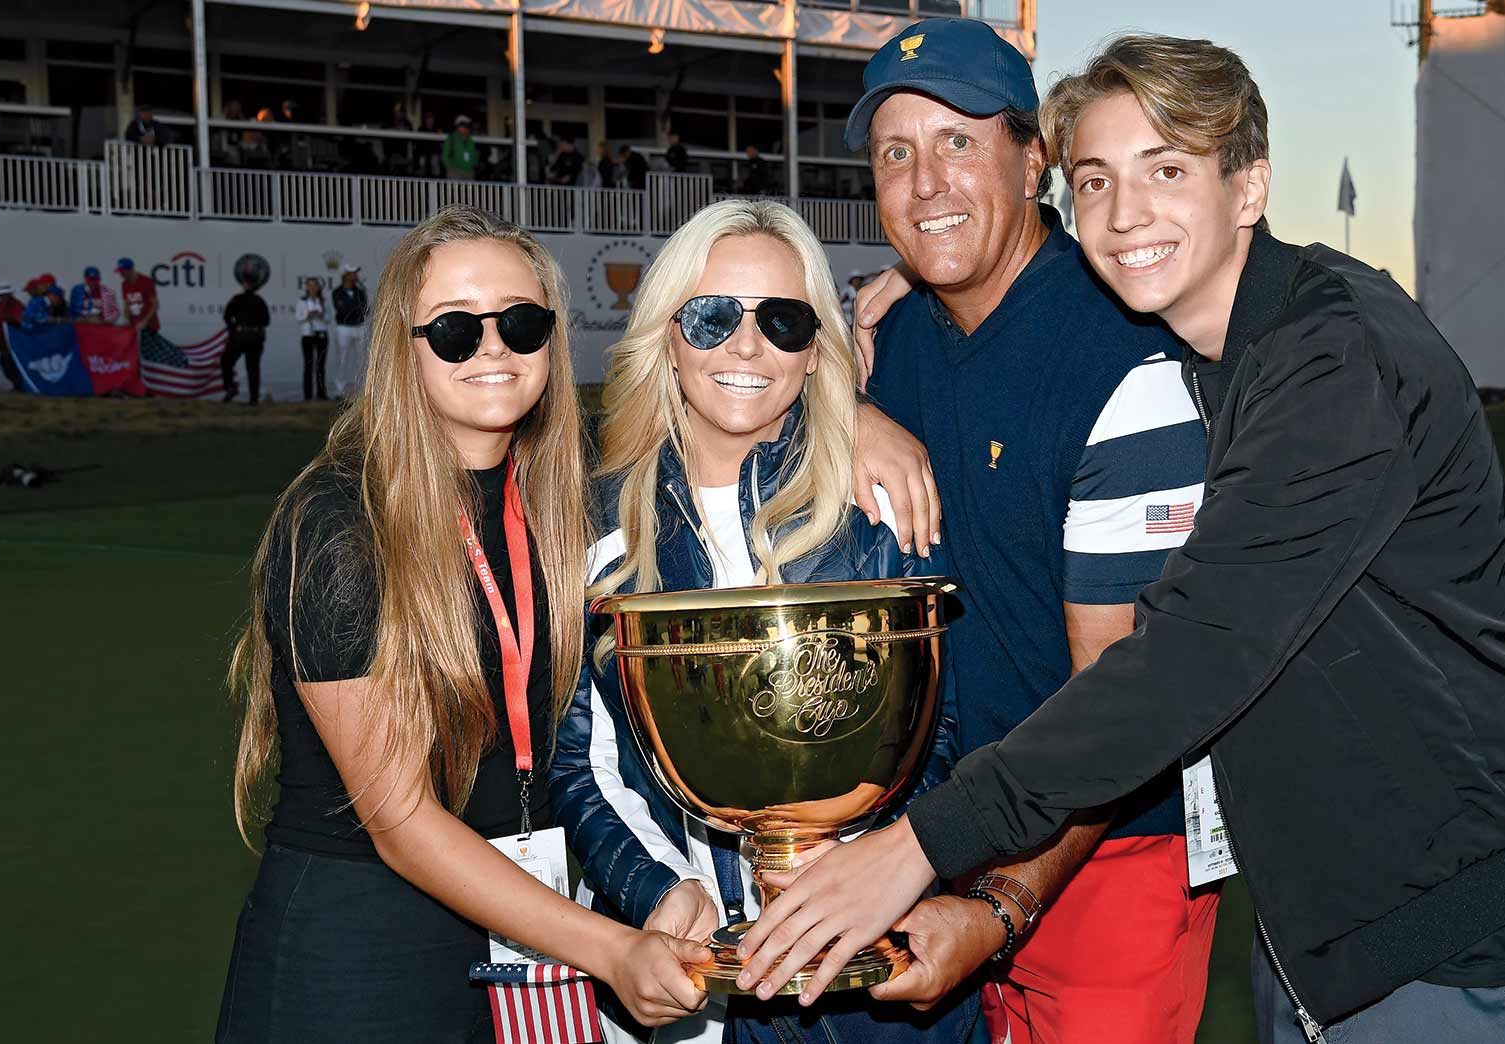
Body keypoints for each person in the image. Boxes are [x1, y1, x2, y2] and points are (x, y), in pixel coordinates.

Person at [742, 33, 1505, 1044]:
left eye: (1165, 170)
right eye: (1097, 180)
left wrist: (918, 845)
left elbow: (1182, 660)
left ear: (1248, 187)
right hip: (1323, 925)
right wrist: (847, 348)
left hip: (1437, 943)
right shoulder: (1222, 352)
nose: (1124, 212)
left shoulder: (1334, 357)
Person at [734, 19, 1218, 1044]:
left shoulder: (1123, 363)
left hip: (1100, 855)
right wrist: (841, 399)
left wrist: (1003, 904)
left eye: (958, 142)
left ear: (1031, 157)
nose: (924, 184)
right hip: (928, 843)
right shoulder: (891, 336)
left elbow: (1121, 712)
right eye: (894, 154)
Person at [218, 205, 708, 1043]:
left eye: (521, 323)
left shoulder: (569, 493)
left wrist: (868, 426)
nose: (493, 347)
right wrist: (612, 950)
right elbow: (403, 825)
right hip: (362, 943)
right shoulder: (339, 523)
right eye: (454, 329)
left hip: (533, 918)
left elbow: (727, 435)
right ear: (401, 349)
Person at [548, 198, 979, 1044]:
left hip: (865, 978)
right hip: (683, 987)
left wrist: (873, 860)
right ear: (666, 338)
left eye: (781, 320)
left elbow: (944, 728)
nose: (747, 347)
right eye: (711, 319)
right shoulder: (598, 527)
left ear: (816, 348)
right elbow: (582, 757)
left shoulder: (882, 506)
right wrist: (664, 894)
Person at [221, 277, 270, 405]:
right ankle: (251, 398)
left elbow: (227, 317)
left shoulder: (239, 299)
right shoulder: (258, 300)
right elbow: (266, 321)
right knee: (251, 368)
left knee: (230, 362)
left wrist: (234, 328)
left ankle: (236, 390)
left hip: (243, 336)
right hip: (250, 336)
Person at [331, 264, 370, 397]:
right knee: (343, 358)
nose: (354, 276)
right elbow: (343, 310)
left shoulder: (360, 291)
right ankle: (339, 389)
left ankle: (361, 389)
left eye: (355, 273)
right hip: (344, 327)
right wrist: (355, 310)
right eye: (351, 273)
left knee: (361, 358)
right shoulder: (337, 292)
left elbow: (365, 309)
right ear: (345, 275)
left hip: (359, 326)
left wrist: (357, 311)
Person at [295, 277, 329, 402]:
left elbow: (329, 318)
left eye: (314, 285)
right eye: (310, 285)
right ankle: (308, 395)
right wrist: (307, 315)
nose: (312, 288)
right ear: (307, 288)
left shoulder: (323, 301)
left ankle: (321, 394)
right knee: (308, 365)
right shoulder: (302, 301)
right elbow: (298, 318)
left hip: (321, 334)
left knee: (320, 365)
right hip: (307, 335)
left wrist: (321, 314)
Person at [0, 281, 24, 391]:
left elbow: (21, 322)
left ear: (10, 294)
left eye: (4, 295)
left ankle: (19, 386)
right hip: (2, 343)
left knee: (11, 365)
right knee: (4, 364)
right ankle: (17, 385)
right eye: (0, 295)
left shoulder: (17, 305)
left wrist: (10, 318)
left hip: (13, 343)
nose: (2, 297)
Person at [116, 258, 160, 333]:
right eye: (120, 272)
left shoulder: (146, 282)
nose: (121, 275)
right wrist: (126, 319)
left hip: (149, 325)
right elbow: (127, 304)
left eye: (123, 272)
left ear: (130, 270)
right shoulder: (124, 284)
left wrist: (145, 321)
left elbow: (155, 305)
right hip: (134, 326)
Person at [443, 115, 478, 181]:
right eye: (464, 126)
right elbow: (445, 157)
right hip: (455, 172)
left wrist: (473, 165)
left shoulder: (470, 140)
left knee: (469, 191)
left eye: (467, 126)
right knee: (454, 191)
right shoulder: (451, 139)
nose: (466, 128)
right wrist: (451, 168)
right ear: (458, 127)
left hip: (469, 172)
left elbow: (474, 155)